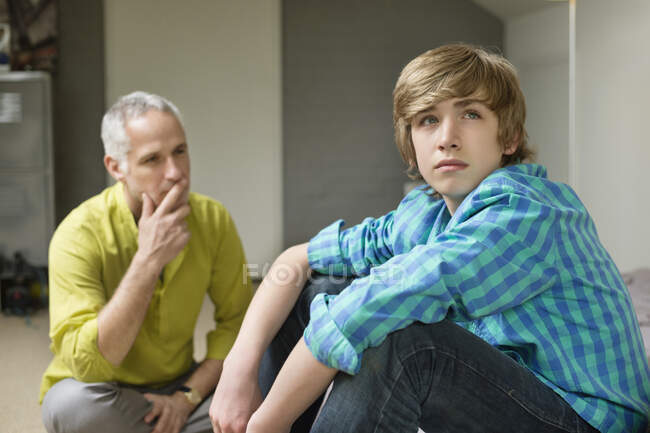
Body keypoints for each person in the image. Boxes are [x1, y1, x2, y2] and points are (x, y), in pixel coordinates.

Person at [209, 44, 650, 433]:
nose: (447, 138)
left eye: (471, 114)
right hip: (516, 397)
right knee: (319, 289)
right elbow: (297, 260)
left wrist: (269, 421)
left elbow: (371, 307)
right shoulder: (422, 214)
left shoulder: (527, 211)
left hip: (583, 419)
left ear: (510, 137)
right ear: (410, 144)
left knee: (405, 342)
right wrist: (237, 368)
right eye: (427, 120)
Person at [40, 91, 253, 433]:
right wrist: (148, 262)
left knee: (264, 395)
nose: (175, 172)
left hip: (185, 388)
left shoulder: (214, 220)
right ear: (116, 167)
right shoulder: (77, 234)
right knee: (71, 407)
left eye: (180, 152)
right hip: (106, 392)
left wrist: (187, 397)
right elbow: (89, 366)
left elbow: (239, 323)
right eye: (153, 159)